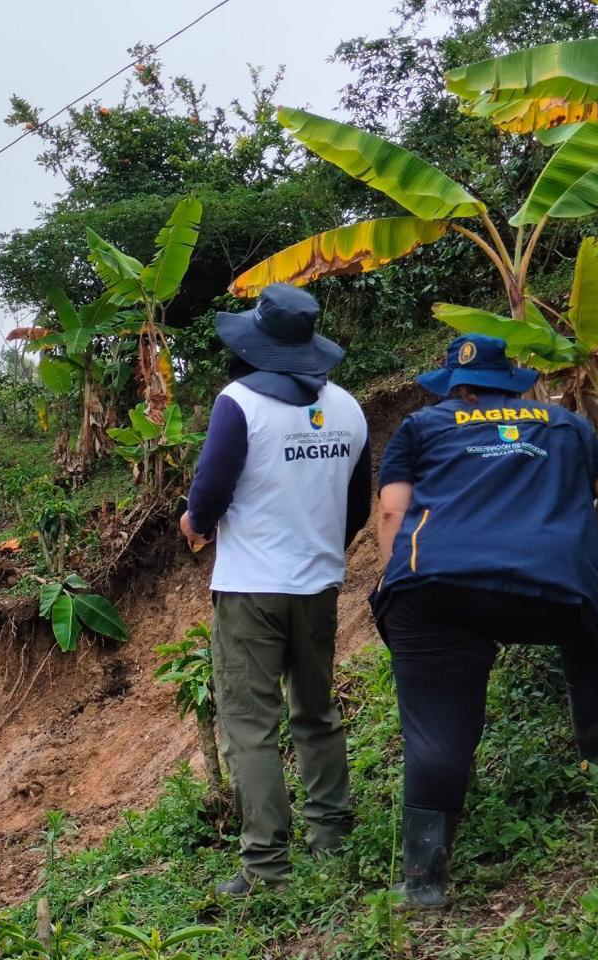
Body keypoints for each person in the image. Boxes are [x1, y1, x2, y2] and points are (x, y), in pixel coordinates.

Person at [373, 333, 598, 909]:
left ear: (453, 387)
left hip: (439, 586)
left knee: (438, 728)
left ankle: (424, 884)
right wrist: (593, 555)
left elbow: (393, 509)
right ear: (512, 382)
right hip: (552, 582)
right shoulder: (563, 423)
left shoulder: (421, 428)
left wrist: (396, 578)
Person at [180, 283, 371, 897]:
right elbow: (357, 507)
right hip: (318, 588)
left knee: (250, 723)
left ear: (258, 343)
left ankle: (266, 867)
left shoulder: (238, 404)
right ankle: (332, 836)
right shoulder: (348, 408)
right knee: (316, 711)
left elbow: (209, 493)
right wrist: (318, 549)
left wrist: (195, 525)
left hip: (249, 592)